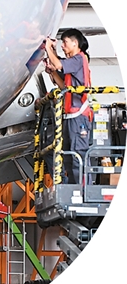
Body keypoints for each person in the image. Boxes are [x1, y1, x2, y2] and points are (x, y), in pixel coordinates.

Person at [43, 28, 93, 184]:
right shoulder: (74, 64)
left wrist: (47, 47)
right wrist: (52, 72)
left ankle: (83, 192)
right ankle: (72, 189)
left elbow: (58, 64)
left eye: (65, 42)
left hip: (78, 116)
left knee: (78, 156)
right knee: (68, 157)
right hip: (70, 117)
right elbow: (63, 85)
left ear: (75, 43)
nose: (63, 46)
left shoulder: (79, 59)